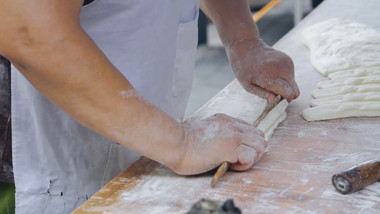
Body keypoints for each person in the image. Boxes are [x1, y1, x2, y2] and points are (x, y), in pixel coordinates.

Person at [0, 0, 299, 213]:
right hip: (30, 164)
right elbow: (27, 29)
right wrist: (181, 144)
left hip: (140, 141)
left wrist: (243, 39)